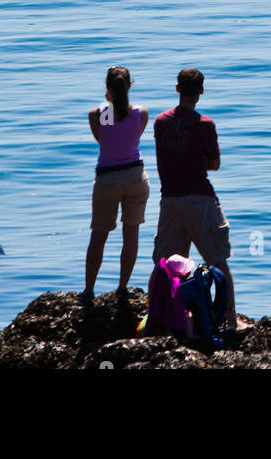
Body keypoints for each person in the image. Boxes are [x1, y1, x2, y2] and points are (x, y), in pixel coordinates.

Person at [149, 67, 249, 331]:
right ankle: (230, 321)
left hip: (169, 200)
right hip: (200, 200)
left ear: (177, 88)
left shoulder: (160, 122)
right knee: (218, 262)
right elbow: (214, 163)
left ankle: (155, 317)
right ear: (201, 91)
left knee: (164, 265)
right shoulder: (205, 124)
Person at [83, 66, 149, 301]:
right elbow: (133, 134)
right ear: (130, 86)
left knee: (98, 236)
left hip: (108, 178)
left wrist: (109, 102)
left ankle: (89, 291)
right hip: (134, 176)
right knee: (130, 234)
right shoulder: (141, 112)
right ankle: (122, 287)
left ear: (107, 89)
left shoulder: (98, 114)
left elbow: (103, 138)